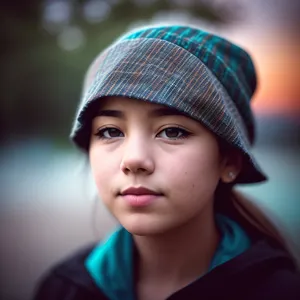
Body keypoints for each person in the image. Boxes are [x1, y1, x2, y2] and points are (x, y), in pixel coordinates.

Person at [33, 24, 300, 300]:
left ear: (228, 160)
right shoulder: (62, 288)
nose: (134, 159)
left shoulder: (280, 291)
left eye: (172, 131)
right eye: (110, 131)